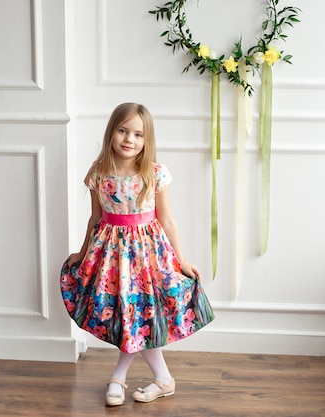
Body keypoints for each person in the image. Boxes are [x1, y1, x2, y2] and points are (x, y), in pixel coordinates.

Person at [60, 102, 215, 406]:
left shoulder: (154, 173)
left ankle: (123, 376)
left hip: (148, 257)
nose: (129, 139)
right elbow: (95, 218)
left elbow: (167, 220)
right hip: (111, 256)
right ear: (111, 132)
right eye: (123, 130)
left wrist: (181, 260)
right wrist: (82, 252)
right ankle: (160, 379)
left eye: (138, 134)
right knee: (127, 314)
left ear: (147, 140)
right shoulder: (98, 172)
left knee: (137, 315)